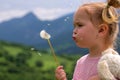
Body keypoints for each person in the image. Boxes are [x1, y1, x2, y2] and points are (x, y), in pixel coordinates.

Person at [55, 0, 120, 80]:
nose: (74, 31)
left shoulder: (114, 63)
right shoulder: (80, 62)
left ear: (101, 30)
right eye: (74, 26)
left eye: (80, 25)